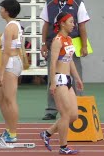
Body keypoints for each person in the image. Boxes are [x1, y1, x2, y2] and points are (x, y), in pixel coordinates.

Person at [40, 0, 90, 120]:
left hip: (71, 43)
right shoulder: (49, 3)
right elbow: (45, 25)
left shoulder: (78, 3)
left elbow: (82, 26)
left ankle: (79, 106)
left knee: (75, 75)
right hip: (54, 44)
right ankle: (51, 109)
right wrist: (43, 43)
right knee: (53, 75)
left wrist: (84, 45)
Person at [39, 12, 82, 154]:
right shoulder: (57, 41)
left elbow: (70, 61)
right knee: (65, 115)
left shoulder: (69, 39)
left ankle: (48, 132)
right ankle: (63, 147)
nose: (73, 24)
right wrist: (52, 83)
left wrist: (77, 78)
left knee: (74, 115)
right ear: (62, 23)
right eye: (71, 22)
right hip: (59, 79)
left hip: (68, 80)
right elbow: (52, 63)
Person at [0, 0, 22, 143]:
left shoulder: (9, 27)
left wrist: (0, 72)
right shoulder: (15, 25)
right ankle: (8, 130)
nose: (0, 10)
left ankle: (12, 133)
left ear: (7, 11)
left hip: (10, 64)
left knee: (10, 100)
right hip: (13, 62)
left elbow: (6, 52)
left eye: (1, 8)